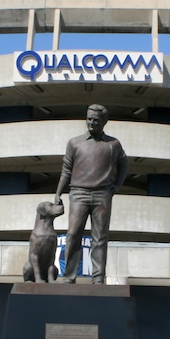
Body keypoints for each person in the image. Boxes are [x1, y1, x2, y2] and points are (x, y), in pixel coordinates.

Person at [54, 104, 128, 284]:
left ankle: (98, 279)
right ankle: (69, 277)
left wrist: (116, 186)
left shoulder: (113, 144)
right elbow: (66, 170)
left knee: (100, 238)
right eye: (89, 119)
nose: (91, 123)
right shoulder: (75, 143)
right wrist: (58, 193)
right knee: (72, 235)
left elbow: (124, 165)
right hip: (78, 193)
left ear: (104, 122)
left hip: (102, 194)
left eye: (96, 120)